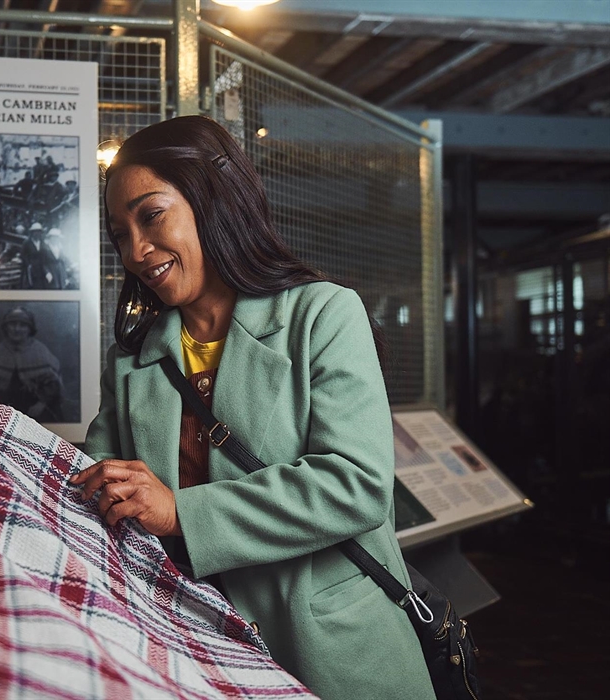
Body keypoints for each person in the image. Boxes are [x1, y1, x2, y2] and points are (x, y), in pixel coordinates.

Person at [71, 116, 434, 700]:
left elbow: (358, 485)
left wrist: (180, 514)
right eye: (119, 233)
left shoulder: (322, 314)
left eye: (152, 215)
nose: (136, 250)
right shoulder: (133, 360)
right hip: (192, 657)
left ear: (212, 200)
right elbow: (95, 488)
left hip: (330, 653)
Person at [0, 307, 63, 420]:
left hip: (36, 410)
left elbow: (54, 386)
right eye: (12, 324)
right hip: (1, 412)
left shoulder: (41, 352)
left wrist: (41, 404)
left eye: (23, 325)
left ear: (30, 329)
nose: (17, 329)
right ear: (6, 327)